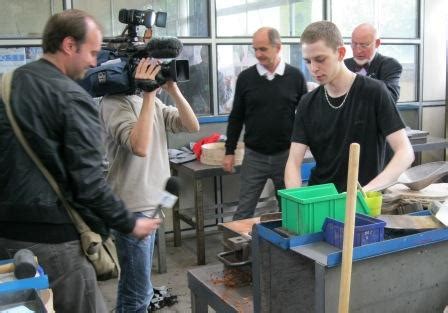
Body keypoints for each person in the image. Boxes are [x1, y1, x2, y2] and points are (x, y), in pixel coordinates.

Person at [0, 10, 162, 313]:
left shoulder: (8, 85)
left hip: (7, 237)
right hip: (54, 242)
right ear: (69, 45)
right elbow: (89, 183)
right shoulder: (72, 97)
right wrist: (129, 222)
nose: (93, 63)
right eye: (91, 52)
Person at [99, 53, 200, 311]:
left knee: (135, 286)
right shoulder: (113, 103)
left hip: (152, 202)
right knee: (138, 294)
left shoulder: (149, 102)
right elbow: (140, 146)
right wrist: (149, 94)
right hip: (132, 207)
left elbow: (192, 125)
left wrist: (173, 89)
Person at [284, 21, 415, 193]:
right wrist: (298, 199)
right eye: (308, 61)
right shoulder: (307, 103)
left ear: (340, 53)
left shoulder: (374, 92)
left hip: (363, 202)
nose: (313, 68)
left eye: (320, 59)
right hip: (321, 200)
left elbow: (405, 152)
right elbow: (293, 161)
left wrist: (365, 192)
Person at [223, 27, 308, 220]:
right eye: (255, 49)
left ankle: (289, 249)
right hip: (254, 157)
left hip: (287, 157)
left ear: (278, 47)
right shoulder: (245, 78)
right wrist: (229, 151)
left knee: (291, 210)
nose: (258, 54)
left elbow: (305, 117)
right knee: (243, 211)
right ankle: (238, 250)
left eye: (263, 49)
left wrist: (309, 146)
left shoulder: (295, 77)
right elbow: (236, 117)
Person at [345, 23, 402, 103]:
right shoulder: (344, 64)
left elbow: (391, 98)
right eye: (354, 44)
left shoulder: (390, 65)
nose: (358, 50)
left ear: (377, 43)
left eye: (364, 45)